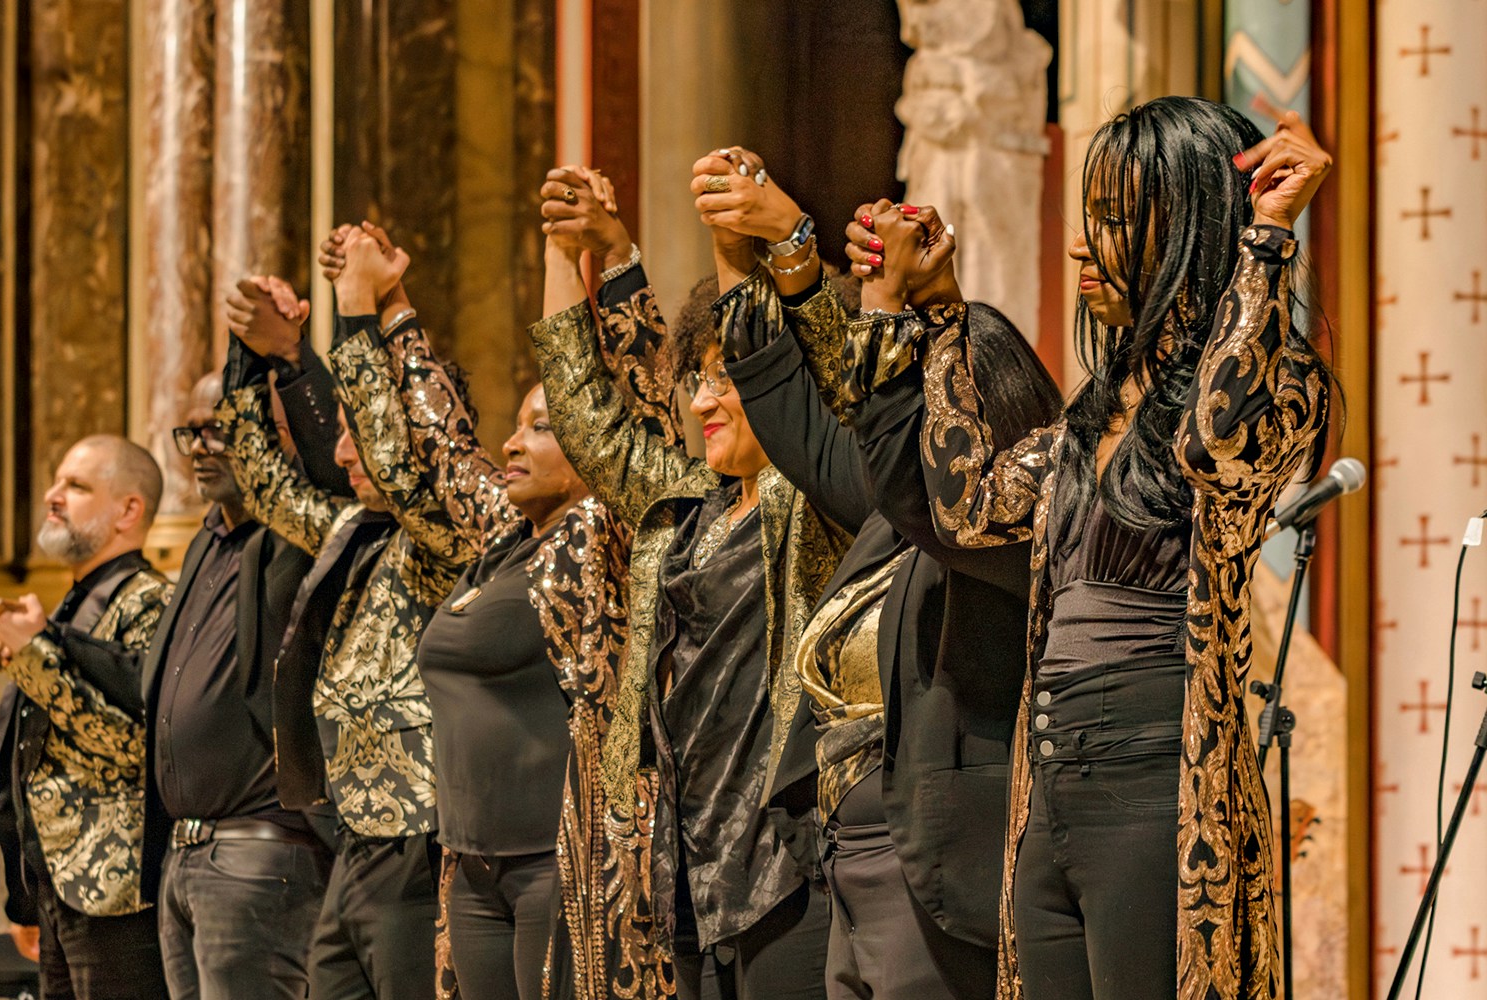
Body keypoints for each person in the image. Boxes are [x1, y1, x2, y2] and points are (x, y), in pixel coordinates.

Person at [851, 98, 1333, 999]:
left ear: (1190, 228)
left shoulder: (1277, 380)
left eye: (1113, 220)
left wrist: (1265, 238)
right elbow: (968, 507)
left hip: (1159, 781)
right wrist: (941, 312)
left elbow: (1213, 438)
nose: (1082, 245)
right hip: (1052, 785)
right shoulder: (1088, 419)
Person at [690, 145, 1063, 998]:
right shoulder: (889, 523)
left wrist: (886, 300)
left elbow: (882, 420)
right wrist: (755, 248)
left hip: (935, 878)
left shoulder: (1003, 533)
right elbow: (811, 413)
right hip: (848, 865)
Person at [317, 181, 675, 999]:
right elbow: (441, 442)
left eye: (541, 427)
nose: (511, 441)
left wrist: (602, 255)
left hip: (565, 864)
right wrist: (392, 306)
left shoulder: (604, 537)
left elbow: (636, 397)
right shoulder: (507, 541)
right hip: (471, 870)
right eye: (517, 423)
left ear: (593, 443)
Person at [530, 160, 854, 1000]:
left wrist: (752, 237)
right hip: (691, 875)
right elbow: (588, 420)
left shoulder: (812, 496)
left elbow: (802, 359)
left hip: (792, 867)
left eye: (728, 377)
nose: (708, 399)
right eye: (700, 378)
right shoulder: (686, 511)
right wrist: (566, 254)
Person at [218, 262, 474, 1000]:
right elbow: (263, 479)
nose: (340, 455)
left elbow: (399, 464)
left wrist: (357, 313)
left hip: (420, 846)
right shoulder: (357, 533)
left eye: (359, 434)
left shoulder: (450, 535)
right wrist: (254, 353)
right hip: (355, 840)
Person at [140, 368, 342, 1000]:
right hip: (187, 857)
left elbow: (318, 462)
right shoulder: (207, 542)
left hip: (259, 854)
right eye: (192, 432)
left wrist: (272, 357)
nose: (202, 447)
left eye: (221, 430)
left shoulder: (292, 540)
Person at [0, 435, 173, 1000]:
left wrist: (30, 655)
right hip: (58, 890)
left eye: (76, 486)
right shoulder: (70, 604)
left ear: (129, 510)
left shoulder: (151, 602)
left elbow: (136, 745)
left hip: (119, 890)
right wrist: (25, 890)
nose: (52, 496)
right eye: (56, 482)